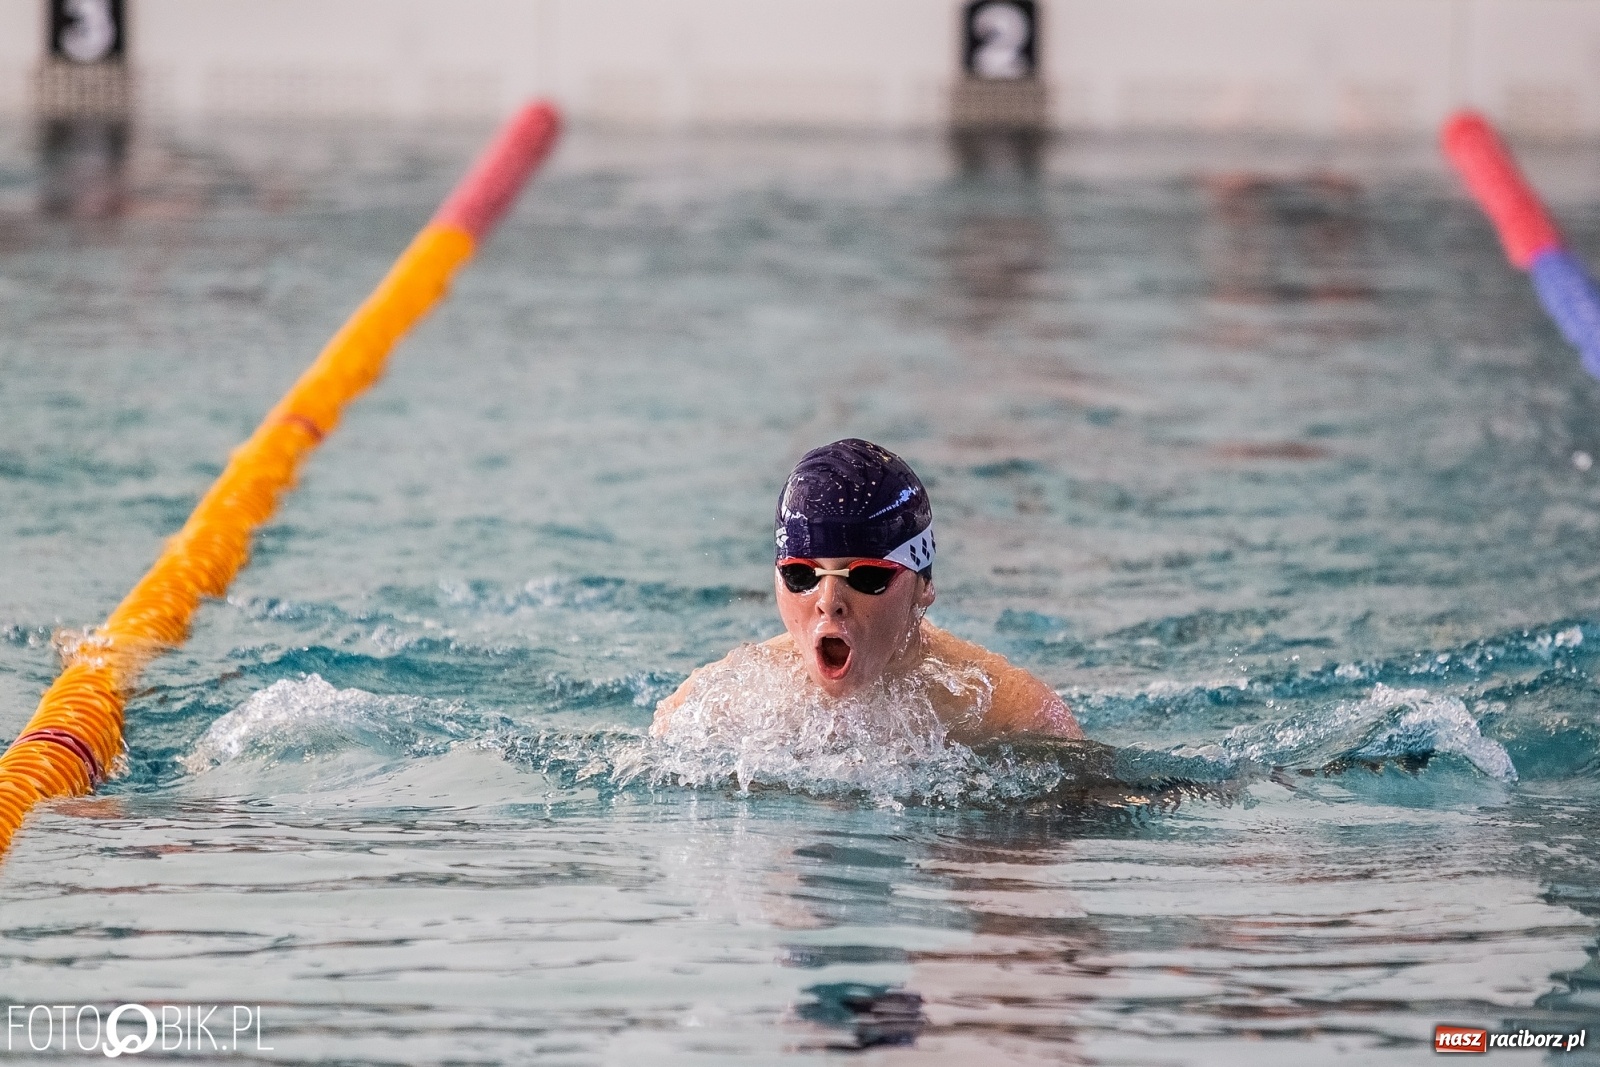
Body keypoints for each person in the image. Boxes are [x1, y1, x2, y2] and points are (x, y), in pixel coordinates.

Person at [652, 439, 1081, 744]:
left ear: (924, 585)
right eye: (802, 575)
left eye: (866, 576)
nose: (828, 601)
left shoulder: (1011, 713)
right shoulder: (713, 704)